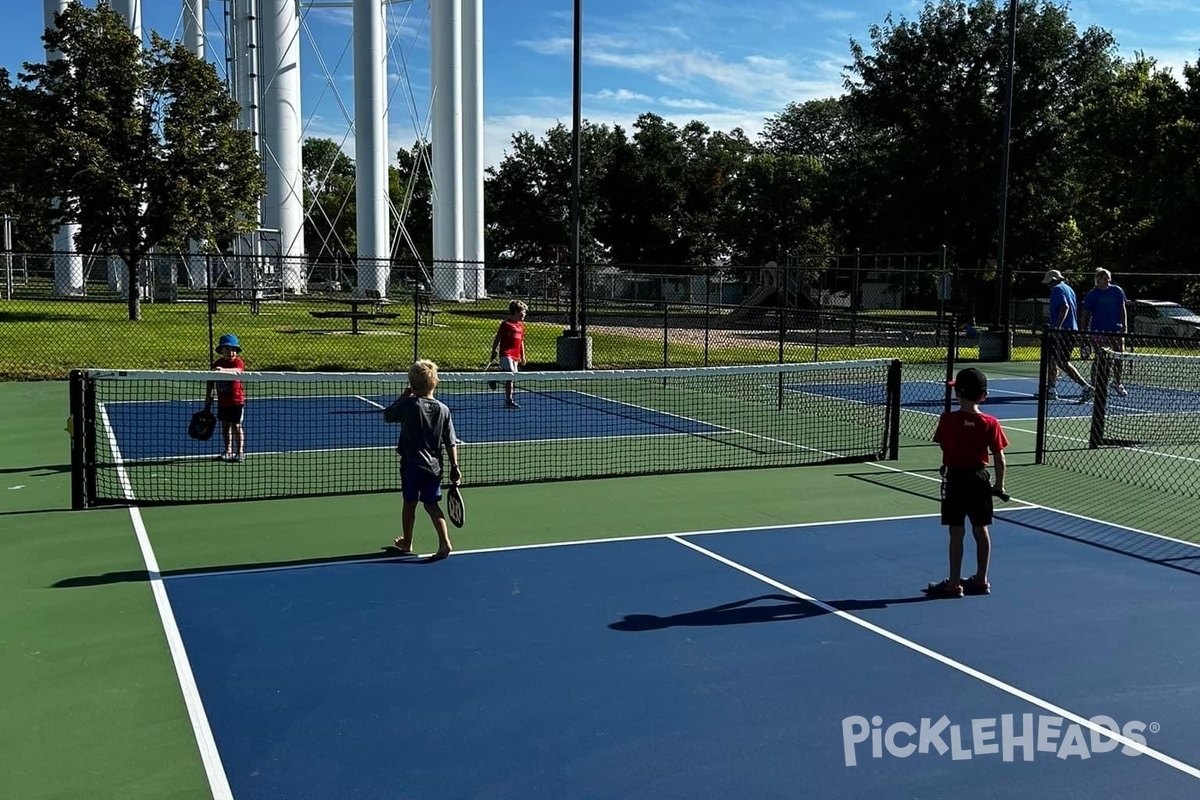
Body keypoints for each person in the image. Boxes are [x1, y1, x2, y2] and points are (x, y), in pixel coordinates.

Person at [924, 368, 1009, 599]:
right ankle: (981, 580)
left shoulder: (948, 420)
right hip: (980, 479)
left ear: (958, 394)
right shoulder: (991, 423)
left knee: (956, 531)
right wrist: (999, 485)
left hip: (955, 480)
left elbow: (944, 446)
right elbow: (999, 457)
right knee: (981, 529)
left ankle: (953, 583)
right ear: (984, 395)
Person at [383, 359, 461, 561]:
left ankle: (407, 542)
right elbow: (450, 442)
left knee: (410, 503)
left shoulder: (409, 405)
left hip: (411, 466)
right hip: (434, 468)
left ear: (412, 384)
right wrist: (455, 467)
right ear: (435, 382)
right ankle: (445, 542)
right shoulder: (444, 409)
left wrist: (404, 396)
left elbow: (388, 415)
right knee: (431, 505)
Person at [1042, 269, 1093, 403]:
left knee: (1061, 361)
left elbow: (1065, 307)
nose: (1048, 286)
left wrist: (1058, 326)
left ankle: (1085, 386)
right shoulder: (1068, 289)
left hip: (1063, 331)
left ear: (1053, 281)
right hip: (1066, 330)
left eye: (1049, 283)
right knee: (1051, 359)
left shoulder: (1057, 290)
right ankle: (1051, 389)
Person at [1080, 268, 1128, 397]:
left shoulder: (1117, 291)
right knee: (1100, 357)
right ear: (1098, 280)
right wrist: (1084, 333)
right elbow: (1085, 315)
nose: (1107, 280)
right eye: (1104, 278)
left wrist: (1124, 326)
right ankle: (1095, 384)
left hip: (1116, 330)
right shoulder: (1092, 295)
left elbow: (1122, 308)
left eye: (1108, 277)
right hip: (1098, 331)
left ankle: (1117, 383)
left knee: (1119, 356)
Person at [204, 333, 246, 462]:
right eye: (227, 349)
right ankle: (228, 450)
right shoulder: (217, 363)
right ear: (221, 350)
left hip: (236, 401)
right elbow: (210, 381)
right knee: (225, 426)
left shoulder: (238, 362)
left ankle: (240, 452)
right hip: (223, 402)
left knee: (236, 426)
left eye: (233, 349)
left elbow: (237, 371)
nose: (231, 352)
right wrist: (208, 397)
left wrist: (222, 371)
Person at [490, 300, 527, 409]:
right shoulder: (506, 324)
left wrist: (523, 356)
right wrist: (494, 350)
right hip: (506, 354)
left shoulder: (521, 326)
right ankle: (494, 375)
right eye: (523, 312)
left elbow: (521, 342)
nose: (525, 314)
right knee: (510, 373)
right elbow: (498, 338)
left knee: (511, 377)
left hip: (515, 356)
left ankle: (508, 400)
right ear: (516, 312)